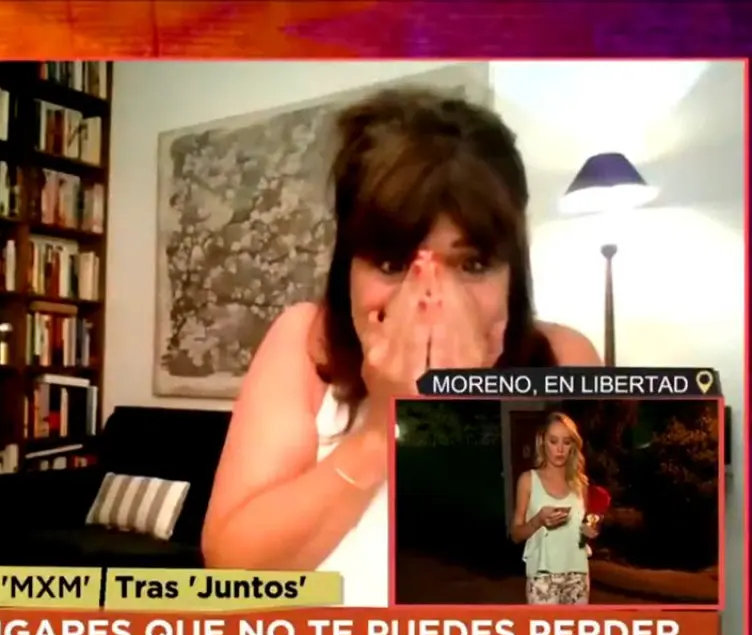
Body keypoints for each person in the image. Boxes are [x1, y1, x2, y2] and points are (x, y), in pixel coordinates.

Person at [202, 87, 602, 605]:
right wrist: (381, 428)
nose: (430, 300)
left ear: (512, 272)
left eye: (472, 264)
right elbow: (232, 568)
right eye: (393, 264)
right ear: (348, 266)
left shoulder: (564, 357)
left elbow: (577, 575)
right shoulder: (306, 342)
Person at [510, 412, 597, 604]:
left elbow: (582, 536)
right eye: (553, 441)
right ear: (542, 442)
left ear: (573, 446)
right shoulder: (528, 480)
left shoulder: (580, 484)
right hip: (542, 578)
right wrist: (538, 521)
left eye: (566, 442)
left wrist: (589, 530)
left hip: (578, 576)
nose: (560, 449)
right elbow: (515, 534)